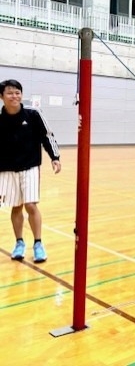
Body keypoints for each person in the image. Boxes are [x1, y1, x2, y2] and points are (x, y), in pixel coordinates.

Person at [0, 79, 61, 263]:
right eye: (10, 93)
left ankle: (38, 244)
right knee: (16, 206)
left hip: (30, 166)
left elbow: (47, 136)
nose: (14, 96)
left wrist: (55, 157)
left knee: (31, 205)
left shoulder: (33, 114)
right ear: (2, 97)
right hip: (6, 169)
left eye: (17, 92)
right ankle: (19, 243)